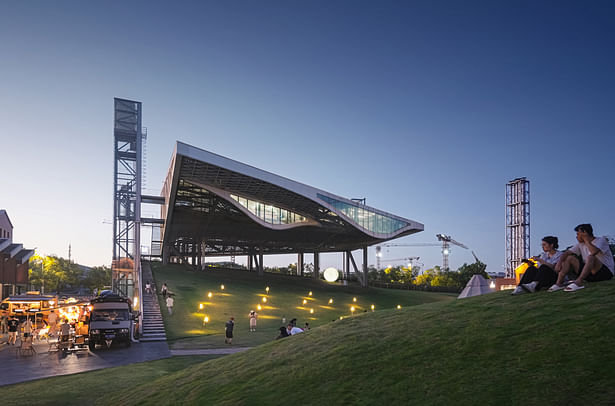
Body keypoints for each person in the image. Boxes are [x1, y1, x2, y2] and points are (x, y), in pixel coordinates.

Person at [549, 224, 614, 292]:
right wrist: (559, 263)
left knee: (591, 257)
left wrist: (586, 240)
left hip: (605, 273)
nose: (576, 237)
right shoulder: (580, 244)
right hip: (590, 274)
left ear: (584, 233)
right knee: (569, 258)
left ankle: (579, 282)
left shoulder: (601, 240)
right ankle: (558, 283)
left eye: (578, 234)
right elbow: (566, 253)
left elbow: (594, 252)